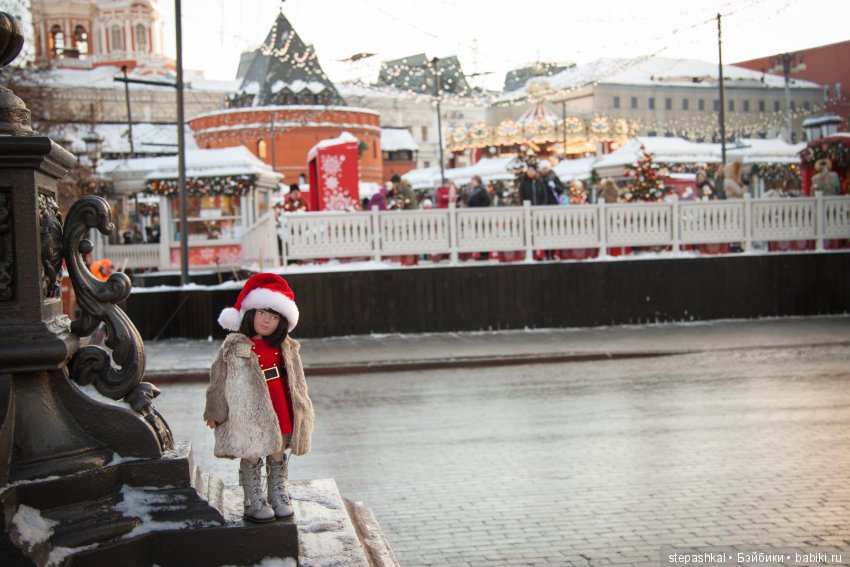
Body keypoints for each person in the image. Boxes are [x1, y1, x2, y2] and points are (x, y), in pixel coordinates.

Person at [205, 273, 314, 523]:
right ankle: (252, 497)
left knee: (277, 449)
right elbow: (218, 380)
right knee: (252, 449)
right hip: (247, 406)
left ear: (282, 322)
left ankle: (277, 491)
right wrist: (214, 410)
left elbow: (296, 378)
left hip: (277, 401)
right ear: (250, 313)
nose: (267, 320)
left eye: (275, 317)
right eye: (262, 313)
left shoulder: (285, 346)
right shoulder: (234, 345)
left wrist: (300, 405)